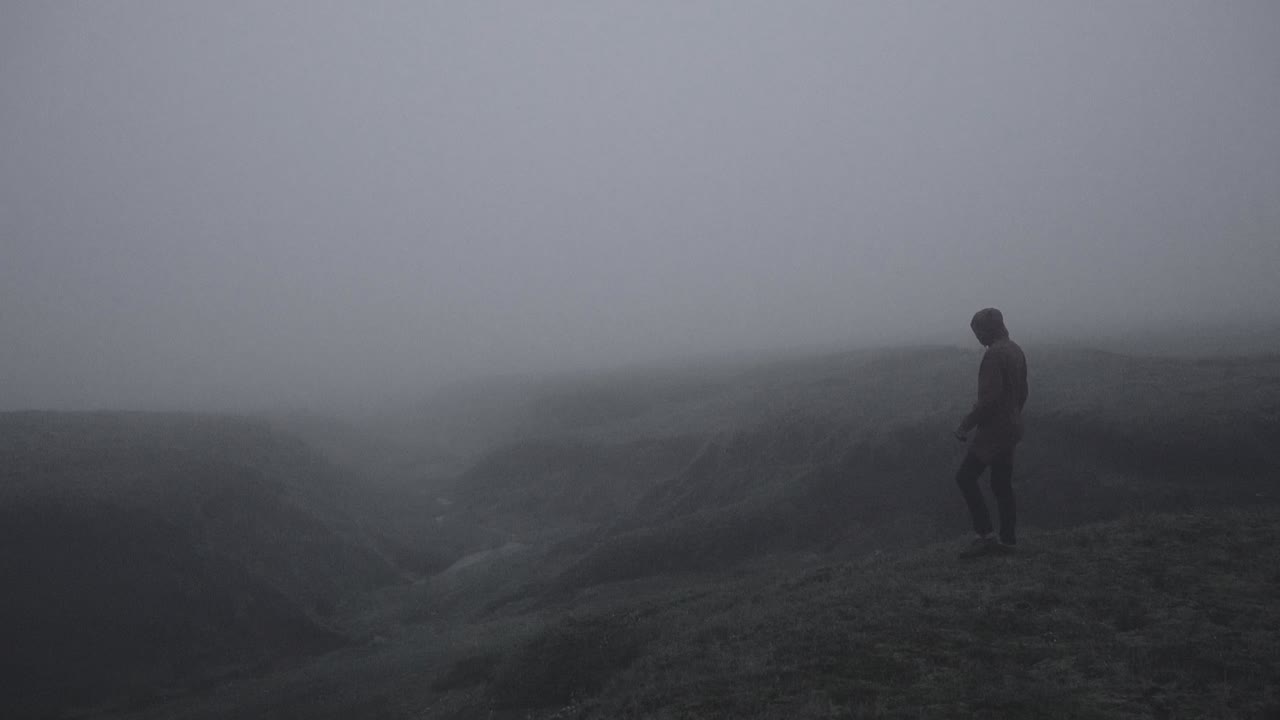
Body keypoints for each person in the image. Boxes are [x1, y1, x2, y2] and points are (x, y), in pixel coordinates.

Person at [953, 307, 1028, 558]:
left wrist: (966, 424)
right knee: (1001, 483)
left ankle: (985, 535)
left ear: (988, 329)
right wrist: (1013, 414)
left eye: (979, 332)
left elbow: (989, 400)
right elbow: (1023, 391)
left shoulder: (994, 356)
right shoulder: (1015, 350)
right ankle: (1008, 540)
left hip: (994, 430)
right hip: (1012, 426)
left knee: (965, 477)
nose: (978, 338)